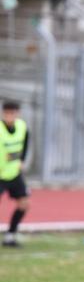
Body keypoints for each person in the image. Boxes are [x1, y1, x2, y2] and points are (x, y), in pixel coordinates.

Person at [0, 101, 30, 248]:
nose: (9, 116)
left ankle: (10, 236)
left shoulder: (22, 127)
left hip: (14, 173)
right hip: (0, 174)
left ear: (17, 114)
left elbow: (25, 143)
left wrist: (22, 160)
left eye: (12, 113)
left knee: (24, 204)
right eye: (6, 113)